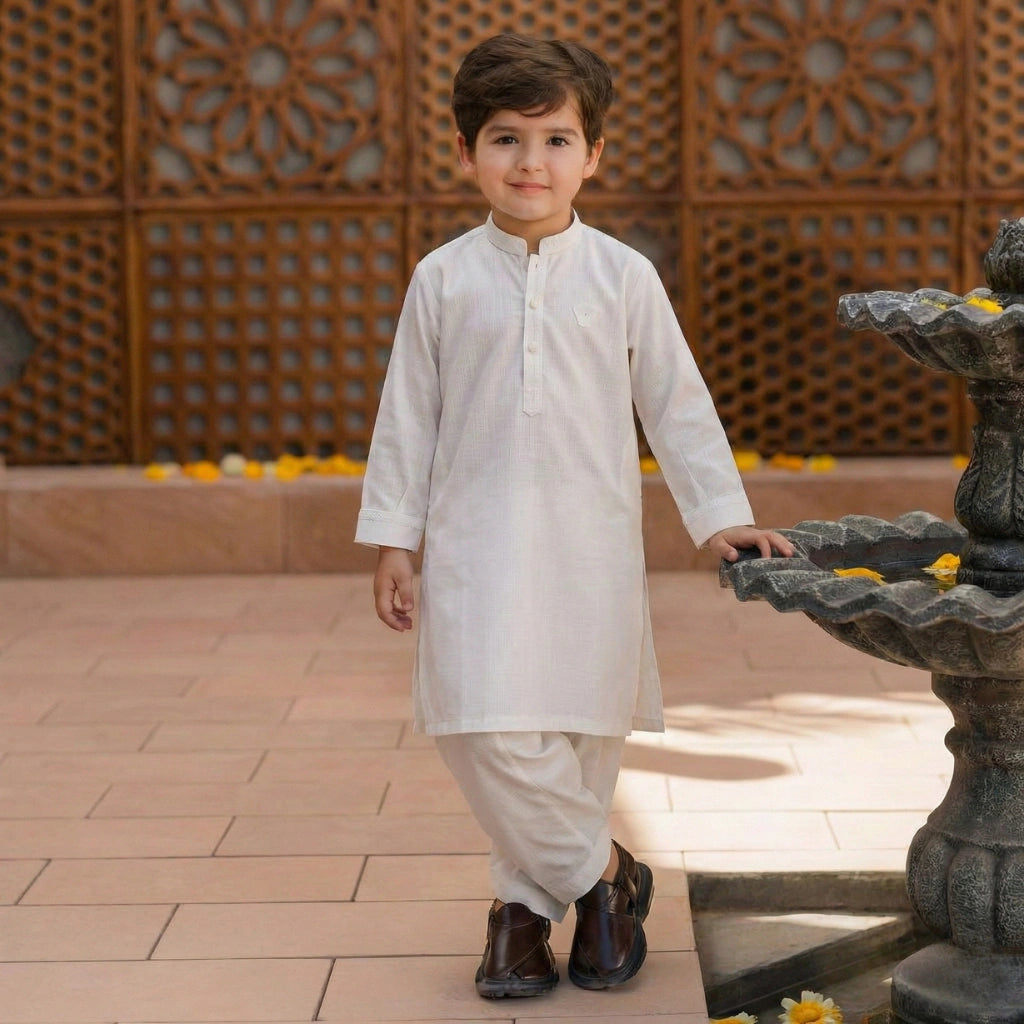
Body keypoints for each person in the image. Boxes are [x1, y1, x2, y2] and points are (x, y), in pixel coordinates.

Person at [355, 32, 794, 999]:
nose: (530, 164)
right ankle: (607, 877)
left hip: (588, 551)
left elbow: (678, 403)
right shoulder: (442, 278)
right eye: (506, 139)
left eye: (556, 140)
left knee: (578, 737)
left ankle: (523, 917)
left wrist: (720, 517)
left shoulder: (622, 277)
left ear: (593, 155)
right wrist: (396, 538)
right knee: (480, 722)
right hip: (474, 552)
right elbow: (407, 417)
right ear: (467, 151)